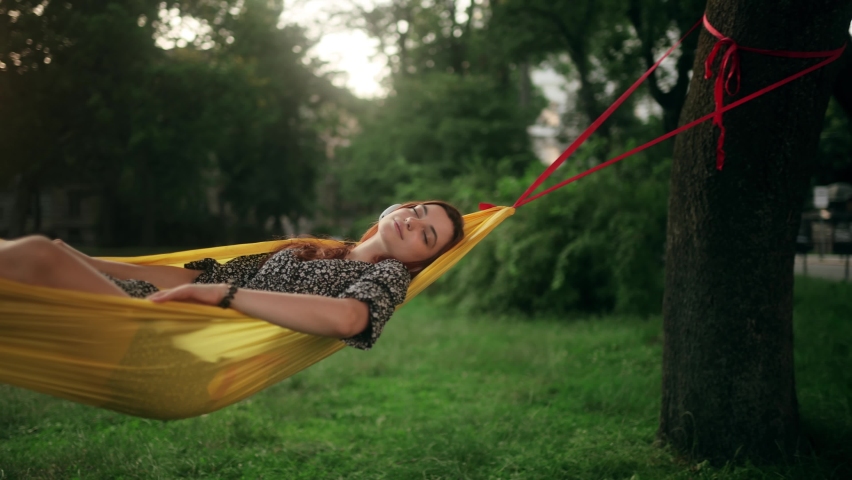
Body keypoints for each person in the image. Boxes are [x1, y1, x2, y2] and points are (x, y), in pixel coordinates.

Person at [0, 201, 465, 350]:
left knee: (33, 256)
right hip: (146, 301)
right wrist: (88, 262)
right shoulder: (314, 248)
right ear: (397, 207)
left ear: (419, 262)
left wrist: (226, 297)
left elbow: (352, 319)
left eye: (427, 235)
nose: (413, 222)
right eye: (418, 210)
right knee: (36, 257)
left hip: (172, 335)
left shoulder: (388, 276)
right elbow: (194, 278)